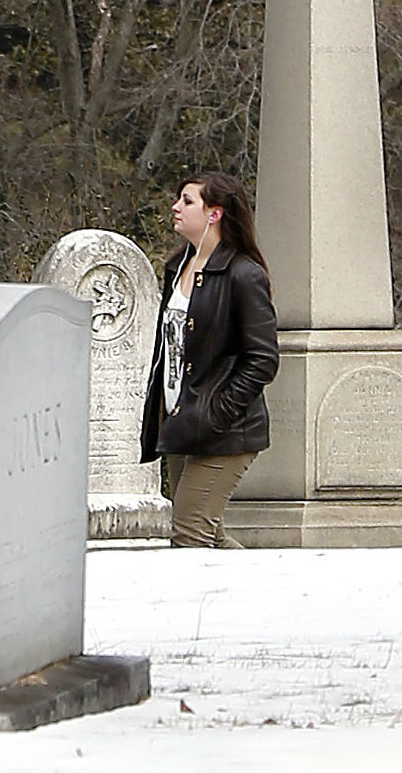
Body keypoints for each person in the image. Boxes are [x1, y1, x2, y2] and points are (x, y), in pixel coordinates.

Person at [140, 172, 279, 548]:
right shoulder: (177, 268)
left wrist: (217, 413)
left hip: (223, 431)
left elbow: (263, 359)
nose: (176, 207)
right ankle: (273, 595)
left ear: (214, 213)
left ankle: (192, 608)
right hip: (181, 423)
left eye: (187, 201)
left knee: (189, 535)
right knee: (209, 537)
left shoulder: (243, 275)